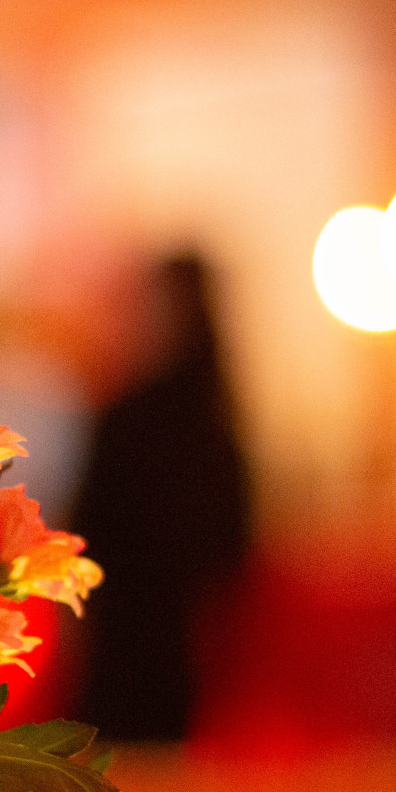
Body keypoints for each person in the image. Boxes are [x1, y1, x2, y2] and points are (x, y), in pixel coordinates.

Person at [70, 253, 252, 740]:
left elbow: (83, 533)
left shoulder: (126, 417)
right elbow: (236, 545)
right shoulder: (219, 422)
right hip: (189, 648)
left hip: (120, 640)